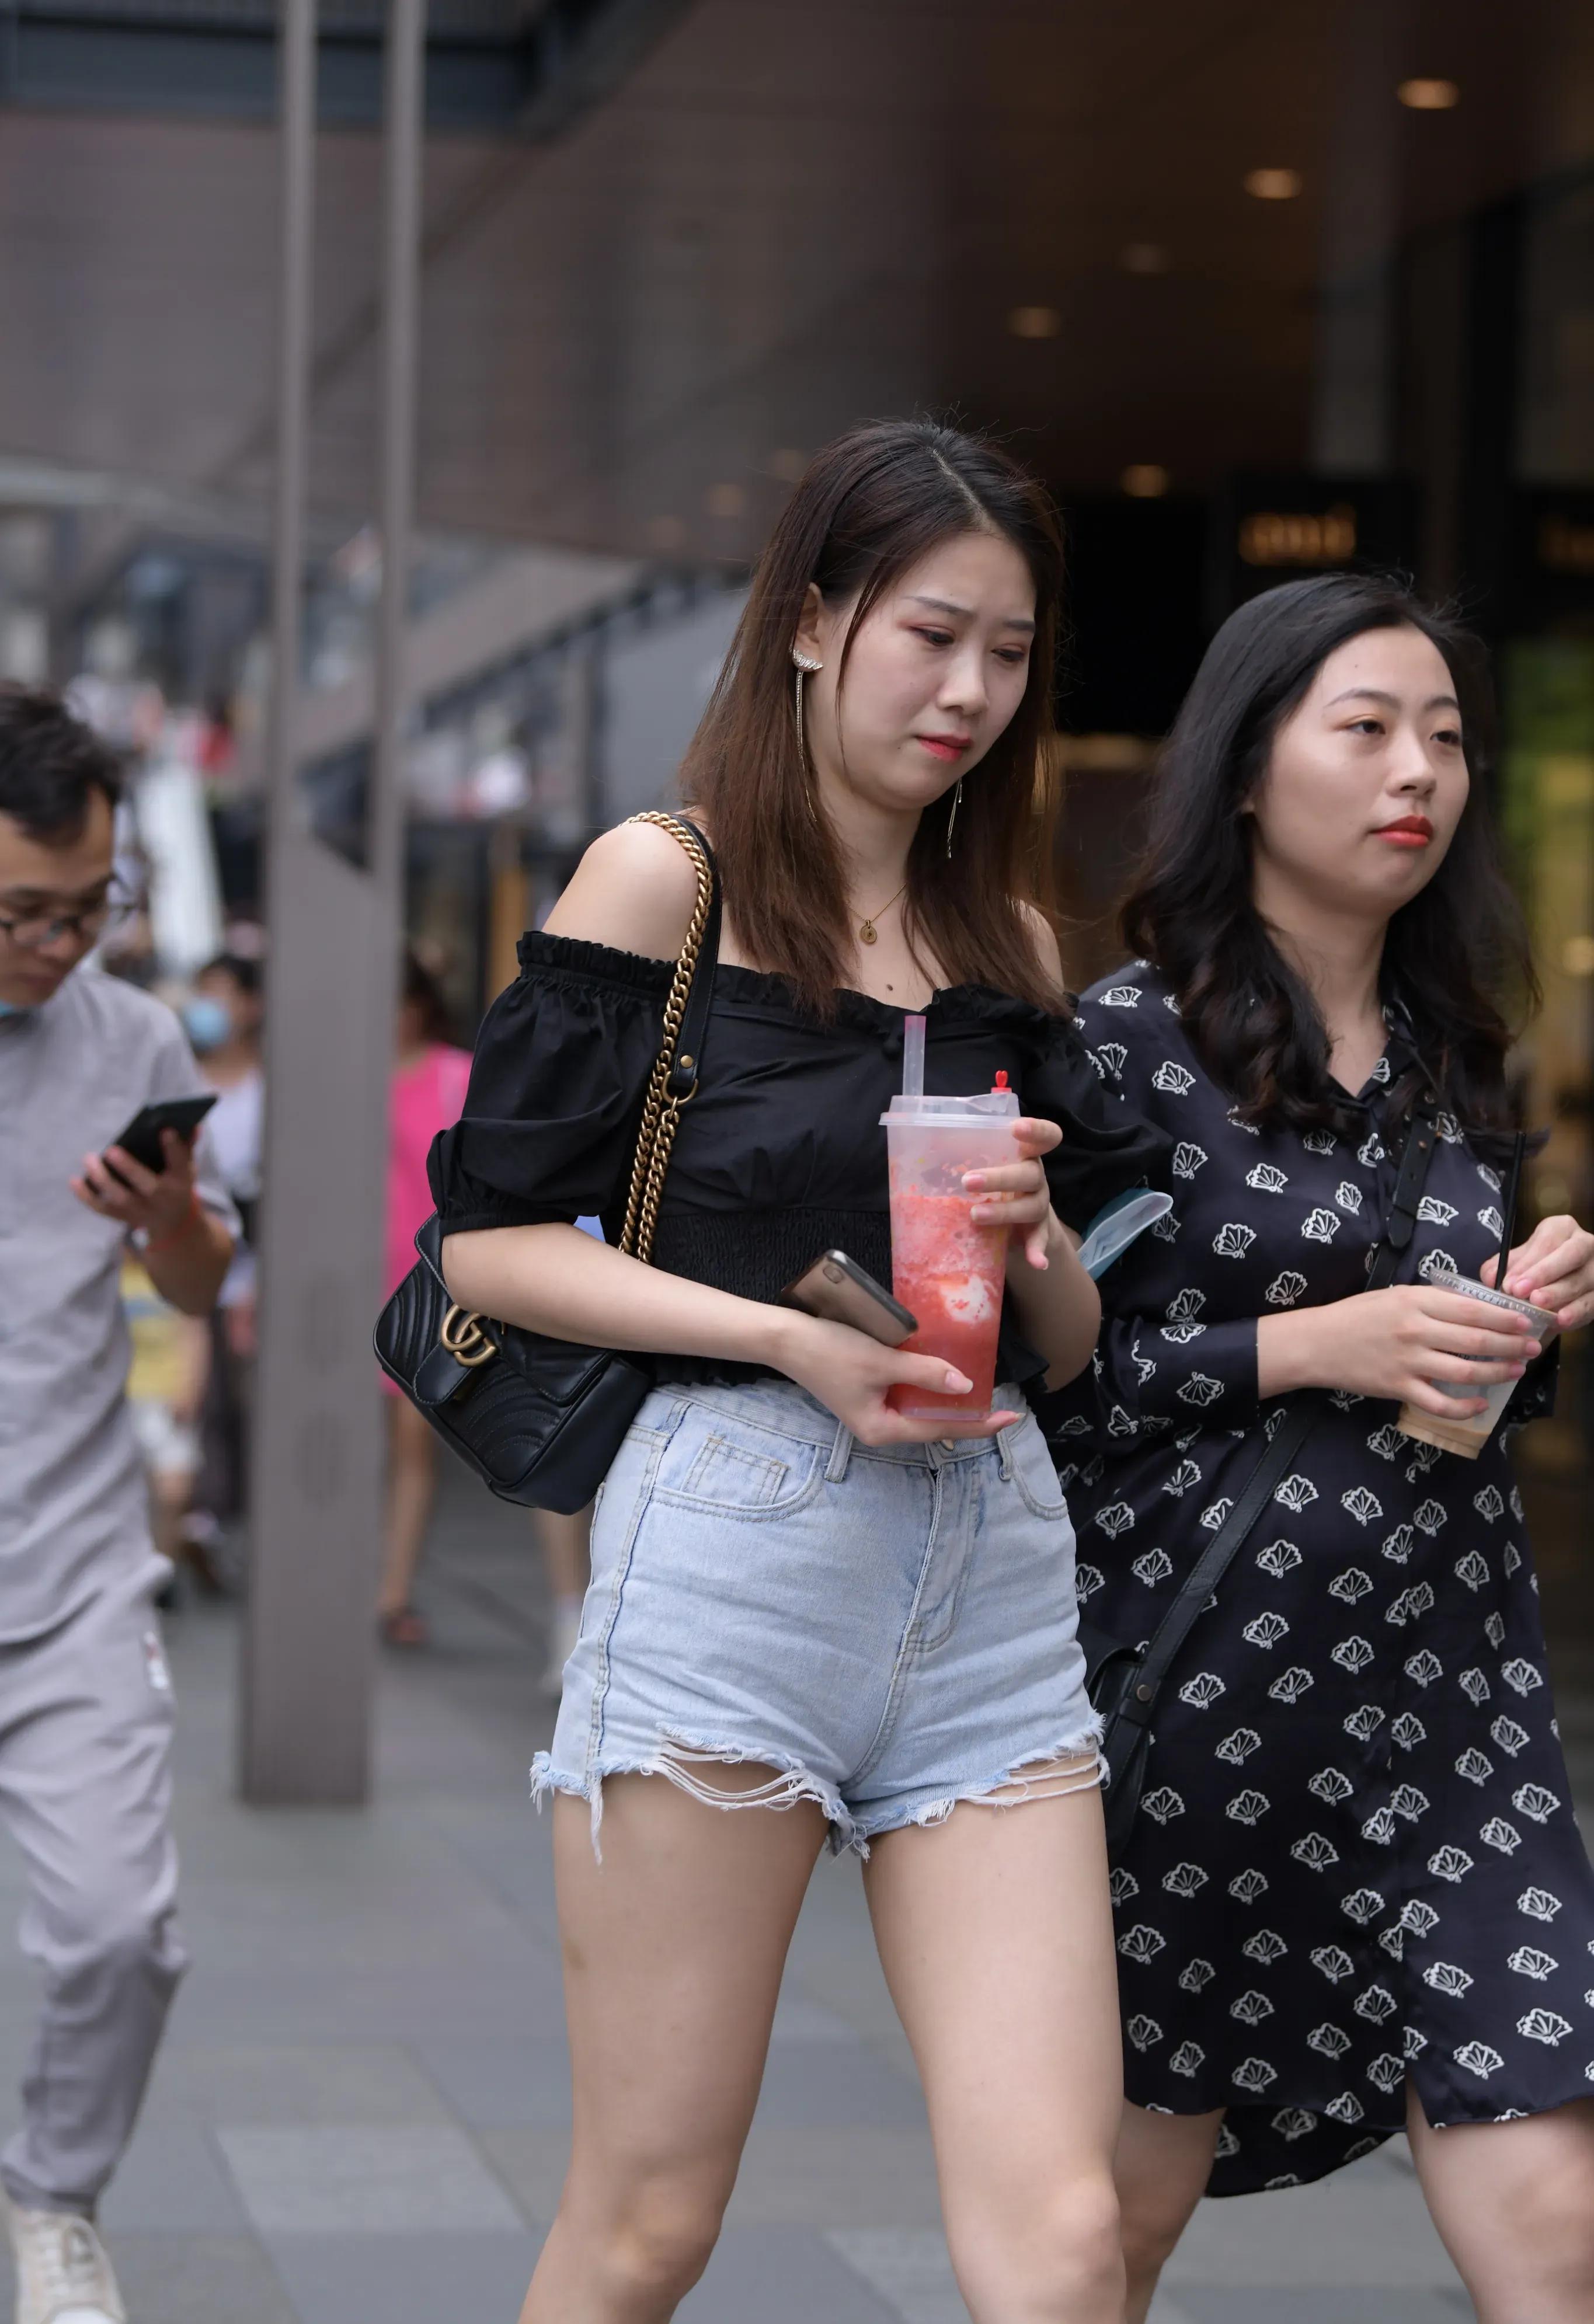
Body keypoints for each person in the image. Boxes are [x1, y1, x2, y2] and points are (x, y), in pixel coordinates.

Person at [431, 419, 1170, 2324]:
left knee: (1069, 2239)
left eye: (1011, 653)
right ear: (818, 621)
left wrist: (1034, 1242)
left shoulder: (999, 936)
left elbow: (1076, 1352)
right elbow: (491, 1246)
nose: (973, 692)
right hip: (737, 1538)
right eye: (936, 634)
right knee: (647, 2227)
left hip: (991, 1565)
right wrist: (784, 1339)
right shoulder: (661, 884)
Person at [1045, 575, 1594, 2323]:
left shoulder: (1452, 1054)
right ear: (1245, 767)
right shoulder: (1125, 1046)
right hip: (1195, 1703)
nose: (1413, 769)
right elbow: (1053, 1383)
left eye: (1441, 735)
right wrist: (1314, 1344)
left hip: (1452, 1701)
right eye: (1363, 727)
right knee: (1106, 2234)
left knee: (1557, 2220)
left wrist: (1516, 1319)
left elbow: (1448, 1387)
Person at [0, 685, 237, 2324]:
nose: (60, 942)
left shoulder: (133, 1037)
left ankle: (51, 2195)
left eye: (90, 908)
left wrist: (166, 1223)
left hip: (68, 1563)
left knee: (116, 1929)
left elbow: (198, 1268)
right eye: (25, 908)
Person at [378, 948, 472, 1647]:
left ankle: (393, 1591)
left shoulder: (454, 1076)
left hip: (427, 1284)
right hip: (351, 1277)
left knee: (414, 1442)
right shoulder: (342, 1078)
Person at [182, 949, 266, 1584]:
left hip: (249, 1273)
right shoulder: (178, 1079)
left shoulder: (270, 1090)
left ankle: (219, 1518)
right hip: (187, 1268)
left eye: (223, 993)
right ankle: (193, 1518)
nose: (211, 1008)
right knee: (193, 1397)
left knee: (239, 1403)